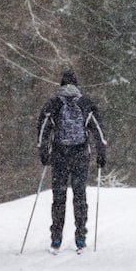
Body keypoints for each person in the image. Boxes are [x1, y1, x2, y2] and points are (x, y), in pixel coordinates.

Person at [37, 69, 107, 252]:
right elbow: (98, 130)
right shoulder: (86, 103)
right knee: (79, 196)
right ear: (76, 85)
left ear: (61, 85)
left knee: (59, 198)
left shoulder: (53, 104)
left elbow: (43, 129)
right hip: (80, 155)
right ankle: (80, 237)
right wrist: (101, 153)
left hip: (59, 155)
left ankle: (56, 238)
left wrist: (44, 152)